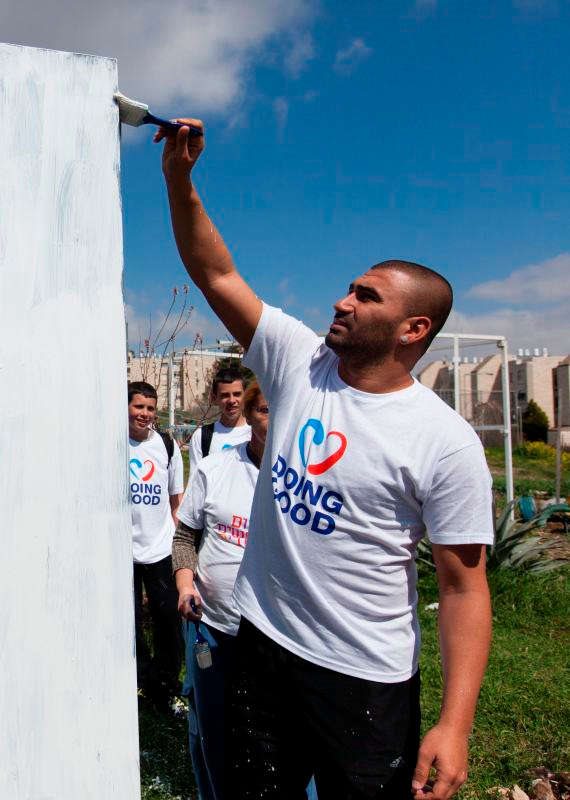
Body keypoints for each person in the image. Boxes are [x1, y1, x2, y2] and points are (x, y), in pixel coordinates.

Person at [154, 122, 494, 800]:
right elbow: (216, 272)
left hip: (364, 681)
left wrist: (455, 726)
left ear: (413, 329)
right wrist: (179, 181)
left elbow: (463, 590)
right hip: (262, 648)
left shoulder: (445, 442)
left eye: (366, 296)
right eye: (349, 287)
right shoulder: (299, 363)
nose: (342, 300)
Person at [128, 380, 185, 709]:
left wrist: (179, 546)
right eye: (138, 407)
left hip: (160, 549)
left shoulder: (166, 446)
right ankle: (138, 679)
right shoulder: (115, 444)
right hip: (124, 553)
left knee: (167, 621)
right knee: (130, 621)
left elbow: (176, 502)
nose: (145, 414)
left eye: (150, 408)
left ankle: (164, 685)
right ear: (127, 408)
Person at [188, 367, 250, 475]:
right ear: (214, 398)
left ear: (246, 395)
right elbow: (196, 484)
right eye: (225, 395)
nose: (231, 400)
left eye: (237, 394)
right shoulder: (202, 437)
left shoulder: (257, 434)